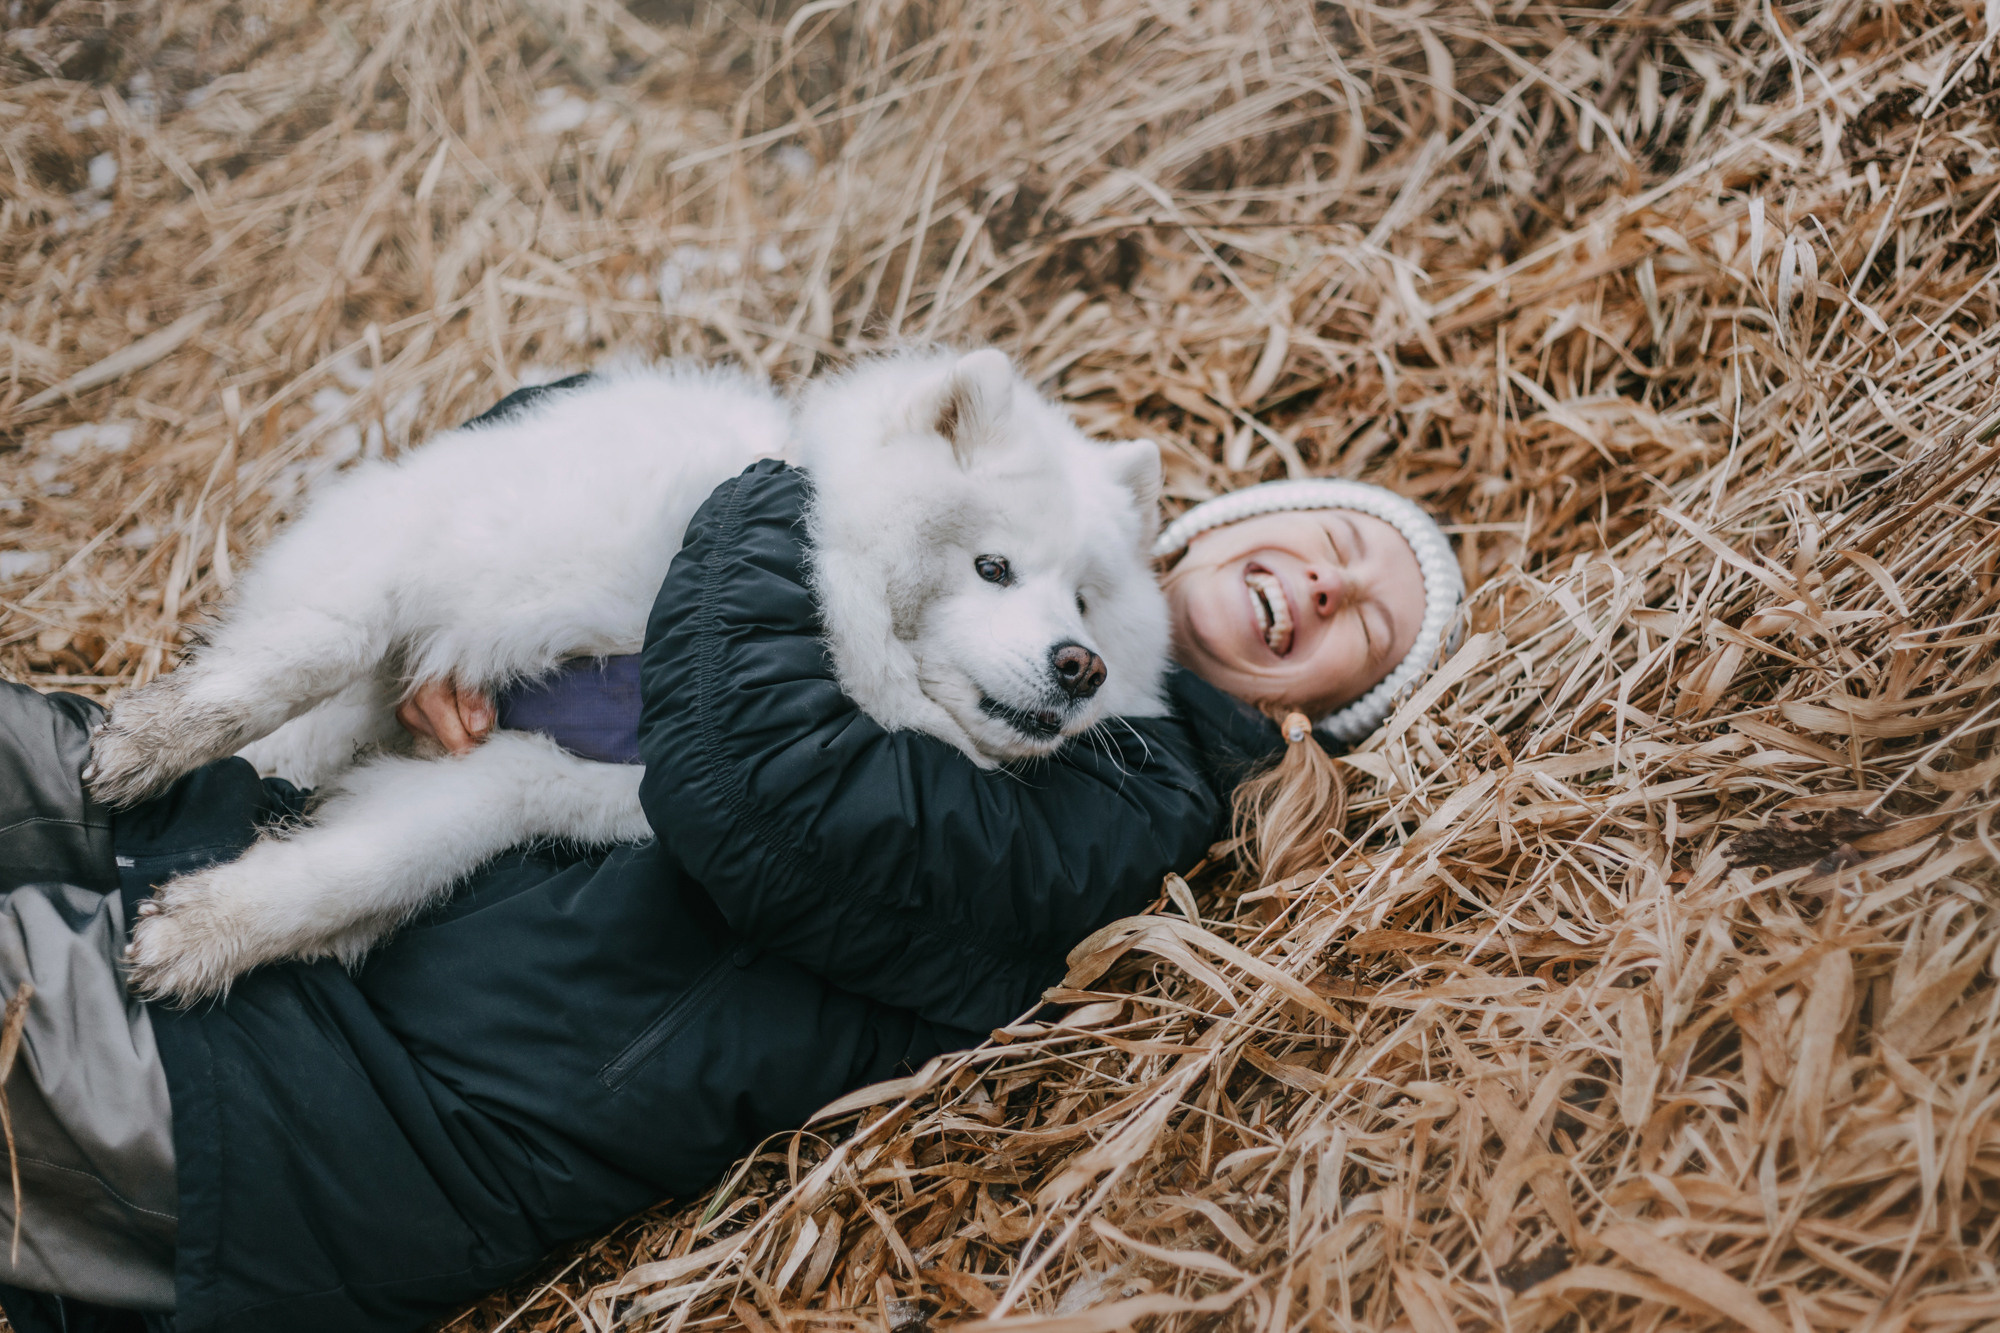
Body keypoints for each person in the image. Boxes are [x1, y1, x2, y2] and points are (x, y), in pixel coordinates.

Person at [0, 391, 1461, 1333]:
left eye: (1368, 624)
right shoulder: (1019, 513)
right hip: (246, 808)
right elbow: (565, 441)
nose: (1330, 581)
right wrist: (466, 619)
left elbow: (771, 790)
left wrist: (812, 475)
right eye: (1336, 537)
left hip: (328, 1099)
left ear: (1323, 714)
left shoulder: (1134, 807)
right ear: (1230, 522)